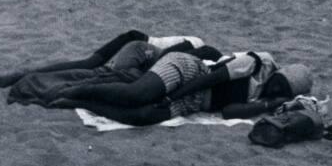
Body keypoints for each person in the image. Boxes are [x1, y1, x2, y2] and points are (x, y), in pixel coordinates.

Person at [47, 49, 314, 126]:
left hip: (195, 102)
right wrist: (171, 95)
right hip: (189, 72)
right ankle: (76, 91)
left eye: (281, 91)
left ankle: (81, 102)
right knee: (138, 95)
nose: (274, 89)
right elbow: (213, 77)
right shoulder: (257, 63)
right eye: (278, 82)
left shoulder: (265, 99)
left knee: (143, 117)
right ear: (279, 72)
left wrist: (267, 104)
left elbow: (230, 112)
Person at [0, 29, 210, 107]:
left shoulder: (199, 56)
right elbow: (162, 58)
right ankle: (24, 77)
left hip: (137, 45)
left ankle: (27, 77)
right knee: (94, 70)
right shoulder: (197, 47)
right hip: (137, 47)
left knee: (89, 67)